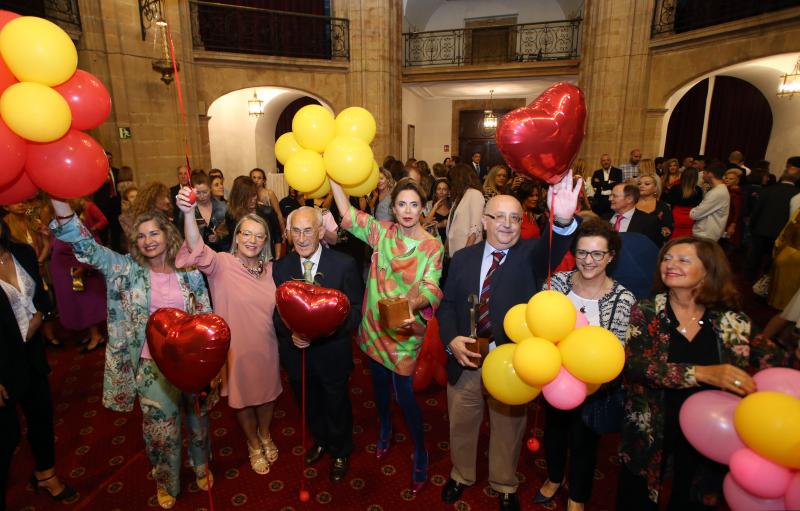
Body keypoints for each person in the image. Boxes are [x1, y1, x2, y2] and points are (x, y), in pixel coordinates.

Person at [49, 200, 214, 509]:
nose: (148, 241)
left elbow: (204, 312)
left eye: (154, 233)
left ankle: (201, 465)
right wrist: (62, 207)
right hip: (151, 364)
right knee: (160, 429)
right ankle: (167, 480)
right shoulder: (125, 268)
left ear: (167, 234)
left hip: (191, 362)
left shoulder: (189, 269)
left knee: (198, 419)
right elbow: (87, 249)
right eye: (141, 236)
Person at [437, 172, 582, 511]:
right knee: (461, 421)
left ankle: (504, 482)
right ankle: (461, 474)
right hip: (466, 359)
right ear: (485, 221)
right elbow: (446, 306)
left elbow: (556, 243)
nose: (507, 224)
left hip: (512, 363)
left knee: (508, 427)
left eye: (514, 218)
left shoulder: (531, 256)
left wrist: (561, 220)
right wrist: (450, 341)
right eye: (499, 217)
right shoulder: (462, 258)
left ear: (522, 222)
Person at [617, 237, 788, 511]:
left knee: (695, 496)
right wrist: (701, 373)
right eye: (667, 258)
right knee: (636, 495)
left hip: (714, 431)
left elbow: (778, 363)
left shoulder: (732, 321)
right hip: (653, 423)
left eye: (683, 260)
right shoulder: (648, 311)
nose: (670, 265)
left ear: (708, 270)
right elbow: (635, 365)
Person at [330, 177, 445, 495]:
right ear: (392, 208)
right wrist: (334, 180)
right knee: (379, 386)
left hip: (405, 331)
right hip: (375, 327)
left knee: (406, 395)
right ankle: (384, 429)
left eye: (414, 204)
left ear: (423, 208)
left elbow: (433, 285)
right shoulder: (382, 233)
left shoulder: (432, 246)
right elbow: (349, 216)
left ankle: (420, 451)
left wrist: (414, 301)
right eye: (401, 204)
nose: (408, 210)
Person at [175, 189, 282, 476]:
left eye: (259, 236)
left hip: (268, 345)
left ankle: (266, 433)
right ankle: (252, 443)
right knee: (242, 397)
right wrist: (188, 213)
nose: (252, 240)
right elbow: (195, 246)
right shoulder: (221, 264)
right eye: (246, 234)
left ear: (266, 241)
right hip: (235, 349)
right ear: (236, 237)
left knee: (268, 395)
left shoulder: (273, 270)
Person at [535, 219, 635, 511]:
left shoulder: (622, 298)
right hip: (553, 380)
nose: (588, 261)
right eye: (581, 253)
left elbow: (617, 351)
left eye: (597, 254)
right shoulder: (556, 285)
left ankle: (577, 496)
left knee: (584, 445)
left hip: (595, 390)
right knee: (553, 434)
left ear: (610, 256)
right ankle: (554, 478)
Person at [273, 207, 362, 482]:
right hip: (297, 354)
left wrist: (326, 330)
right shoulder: (282, 267)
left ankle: (340, 450)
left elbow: (356, 311)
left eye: (308, 230)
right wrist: (291, 336)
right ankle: (320, 440)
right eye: (295, 231)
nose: (301, 238)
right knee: (307, 402)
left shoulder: (343, 264)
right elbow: (277, 313)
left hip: (332, 351)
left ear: (321, 231)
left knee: (336, 403)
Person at [0, 219, 76, 510]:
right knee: (6, 438)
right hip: (2, 364)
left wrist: (40, 318)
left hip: (31, 354)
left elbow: (42, 298)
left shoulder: (23, 252)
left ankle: (46, 474)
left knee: (41, 416)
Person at [49, 198, 108, 352]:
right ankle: (91, 333)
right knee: (78, 307)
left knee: (86, 306)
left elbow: (94, 247)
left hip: (79, 275)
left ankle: (97, 336)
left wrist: (83, 267)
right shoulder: (61, 226)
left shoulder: (78, 226)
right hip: (66, 276)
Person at [177, 171, 227, 252]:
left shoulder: (222, 207)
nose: (202, 196)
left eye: (205, 192)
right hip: (196, 254)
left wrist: (218, 236)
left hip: (219, 254)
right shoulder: (188, 210)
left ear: (210, 189)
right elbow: (181, 235)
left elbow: (228, 233)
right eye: (198, 193)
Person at [447, 163, 485, 257]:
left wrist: (465, 254)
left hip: (467, 252)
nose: (451, 184)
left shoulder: (475, 194)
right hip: (455, 251)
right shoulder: (459, 196)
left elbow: (475, 228)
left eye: (453, 180)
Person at [690, 162, 730, 241]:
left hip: (705, 236)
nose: (702, 175)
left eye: (704, 173)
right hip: (707, 235)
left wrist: (693, 211)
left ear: (710, 174)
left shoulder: (717, 193)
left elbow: (694, 215)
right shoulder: (718, 190)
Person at [663, 167, 702, 239]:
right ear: (696, 177)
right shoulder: (698, 190)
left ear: (683, 175)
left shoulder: (675, 188)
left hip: (676, 215)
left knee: (674, 237)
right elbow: (699, 205)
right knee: (687, 239)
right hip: (691, 217)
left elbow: (668, 203)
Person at [637, 174, 673, 243]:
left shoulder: (663, 207)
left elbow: (668, 229)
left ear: (656, 188)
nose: (641, 186)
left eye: (647, 184)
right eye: (639, 184)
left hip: (654, 245)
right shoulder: (630, 204)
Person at [722, 169, 744, 247]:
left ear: (737, 180)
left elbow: (737, 211)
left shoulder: (736, 193)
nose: (727, 180)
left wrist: (732, 225)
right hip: (725, 221)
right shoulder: (727, 190)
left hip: (731, 222)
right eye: (726, 178)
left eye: (731, 179)